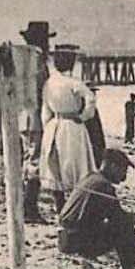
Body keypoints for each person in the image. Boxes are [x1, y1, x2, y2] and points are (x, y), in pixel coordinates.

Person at [58, 147, 135, 269]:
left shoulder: (91, 178)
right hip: (75, 242)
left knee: (119, 224)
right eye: (123, 170)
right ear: (112, 166)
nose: (124, 176)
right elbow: (118, 218)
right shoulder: (104, 186)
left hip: (65, 238)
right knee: (124, 227)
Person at [41, 44, 99, 213]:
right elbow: (91, 99)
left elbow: (45, 110)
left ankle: (59, 205)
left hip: (54, 126)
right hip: (72, 126)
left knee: (55, 167)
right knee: (76, 164)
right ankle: (75, 204)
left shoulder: (49, 83)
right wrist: (83, 116)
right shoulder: (74, 82)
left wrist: (47, 126)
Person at [19, 20, 55, 224]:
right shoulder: (37, 61)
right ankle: (29, 207)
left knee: (28, 160)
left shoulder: (24, 59)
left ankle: (26, 205)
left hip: (25, 117)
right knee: (34, 162)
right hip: (35, 118)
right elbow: (39, 91)